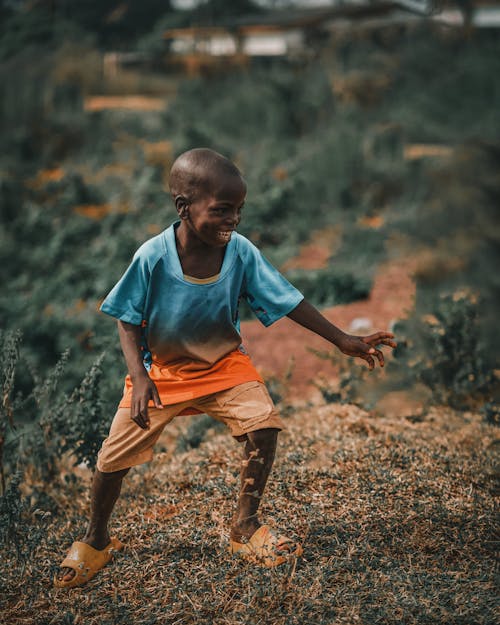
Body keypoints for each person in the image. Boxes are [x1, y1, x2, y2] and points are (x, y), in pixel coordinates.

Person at [55, 148, 395, 588]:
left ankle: (245, 526)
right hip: (161, 372)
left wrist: (343, 339)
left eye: (238, 210)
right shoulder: (152, 257)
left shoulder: (240, 252)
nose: (232, 220)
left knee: (263, 424)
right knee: (111, 460)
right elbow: (126, 319)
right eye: (221, 210)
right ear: (184, 207)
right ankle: (95, 539)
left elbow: (287, 298)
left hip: (223, 366)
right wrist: (139, 378)